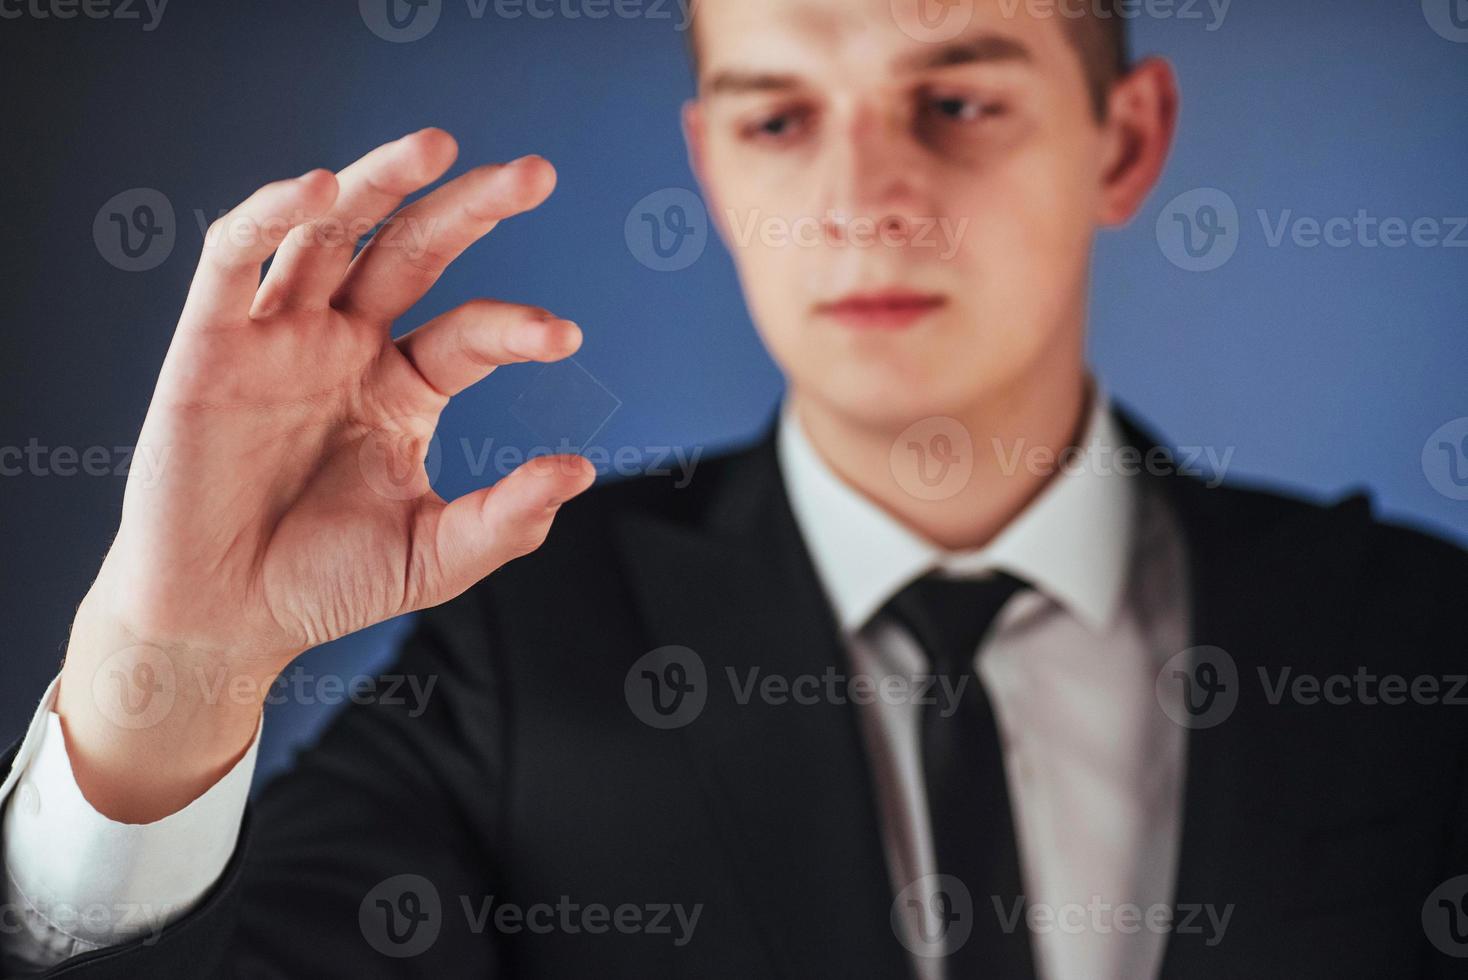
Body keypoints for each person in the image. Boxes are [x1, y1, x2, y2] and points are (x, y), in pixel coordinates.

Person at [3, 0, 1465, 977]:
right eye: (778, 119)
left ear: (1127, 139)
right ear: (709, 162)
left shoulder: (1420, 647)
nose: (862, 193)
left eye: (954, 100)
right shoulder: (530, 646)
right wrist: (165, 674)